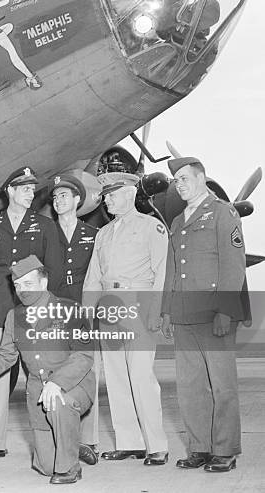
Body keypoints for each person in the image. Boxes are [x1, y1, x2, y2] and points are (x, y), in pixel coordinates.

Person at [0, 255, 95, 484]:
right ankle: (71, 443)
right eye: (17, 285)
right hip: (38, 392)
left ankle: (71, 468)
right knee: (45, 467)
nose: (22, 290)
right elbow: (5, 355)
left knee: (59, 402)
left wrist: (57, 383)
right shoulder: (14, 316)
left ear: (43, 283)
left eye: (28, 284)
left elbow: (83, 355)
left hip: (74, 386)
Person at [161, 157, 246, 472]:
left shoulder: (223, 213)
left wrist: (225, 310)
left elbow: (232, 263)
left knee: (223, 385)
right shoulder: (178, 220)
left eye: (184, 178)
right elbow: (172, 269)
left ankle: (225, 450)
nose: (179, 185)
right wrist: (167, 311)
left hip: (214, 314)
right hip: (184, 315)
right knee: (190, 385)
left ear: (202, 178)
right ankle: (200, 448)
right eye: (176, 181)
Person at [83, 172, 169, 465]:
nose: (106, 200)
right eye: (105, 195)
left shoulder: (151, 227)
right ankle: (129, 442)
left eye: (111, 194)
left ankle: (156, 445)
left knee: (141, 376)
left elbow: (162, 274)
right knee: (117, 377)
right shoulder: (104, 233)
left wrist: (155, 311)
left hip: (138, 304)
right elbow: (94, 277)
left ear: (130, 194)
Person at [0, 166, 62, 459]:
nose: (31, 193)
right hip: (0, 304)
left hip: (36, 308)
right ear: (9, 191)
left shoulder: (44, 225)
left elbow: (53, 267)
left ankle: (53, 439)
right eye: (24, 188)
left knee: (41, 372)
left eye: (32, 189)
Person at [50, 173, 100, 465]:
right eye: (55, 198)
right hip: (55, 314)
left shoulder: (93, 235)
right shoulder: (44, 233)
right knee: (58, 372)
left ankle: (89, 440)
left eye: (64, 196)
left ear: (78, 200)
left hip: (84, 312)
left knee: (87, 372)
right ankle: (62, 438)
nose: (58, 202)